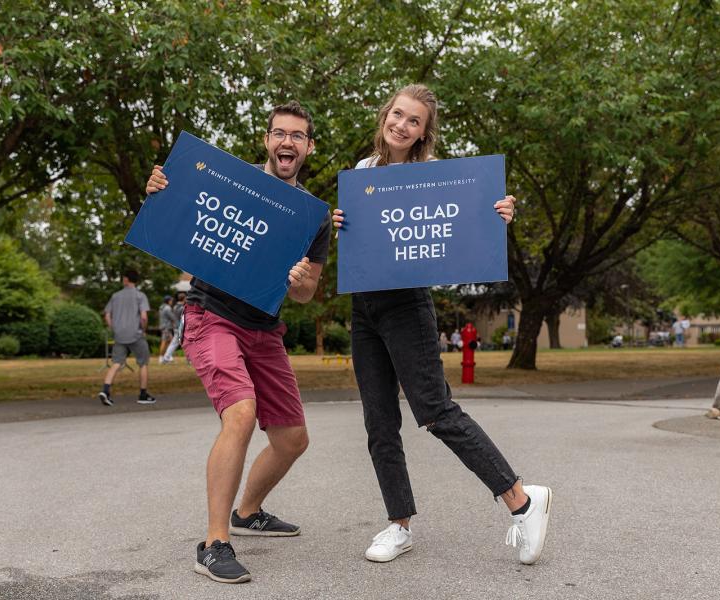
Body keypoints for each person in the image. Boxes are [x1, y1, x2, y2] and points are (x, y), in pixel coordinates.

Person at [332, 84, 552, 566]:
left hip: (407, 304)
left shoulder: (433, 177)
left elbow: (468, 218)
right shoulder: (364, 174)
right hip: (365, 306)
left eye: (413, 121)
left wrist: (499, 213)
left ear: (423, 133)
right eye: (397, 114)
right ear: (384, 115)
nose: (401, 125)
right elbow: (362, 239)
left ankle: (522, 501)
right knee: (379, 422)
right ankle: (399, 525)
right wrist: (342, 223)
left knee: (435, 412)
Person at [144, 100, 331, 584]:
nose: (287, 142)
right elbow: (175, 222)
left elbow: (309, 292)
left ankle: (248, 513)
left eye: (297, 136)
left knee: (292, 439)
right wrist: (159, 191)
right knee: (241, 413)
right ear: (267, 140)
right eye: (279, 133)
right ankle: (213, 543)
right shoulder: (230, 182)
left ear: (309, 147)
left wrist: (298, 281)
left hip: (264, 328)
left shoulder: (312, 216)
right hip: (212, 316)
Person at [98, 269, 155, 406]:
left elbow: (107, 315)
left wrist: (114, 328)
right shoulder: (140, 296)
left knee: (116, 363)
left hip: (119, 335)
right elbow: (144, 316)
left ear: (125, 279)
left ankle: (105, 390)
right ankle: (143, 394)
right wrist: (143, 329)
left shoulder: (115, 296)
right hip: (136, 334)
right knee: (143, 363)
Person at [162, 291, 187, 364]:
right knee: (177, 343)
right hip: (180, 327)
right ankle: (166, 358)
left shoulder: (175, 306)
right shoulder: (182, 307)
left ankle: (166, 358)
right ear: (184, 299)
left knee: (175, 343)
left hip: (176, 327)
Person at [158, 295, 176, 363]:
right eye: (171, 300)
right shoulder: (167, 308)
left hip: (163, 326)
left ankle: (167, 356)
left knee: (170, 341)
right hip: (167, 327)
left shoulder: (161, 307)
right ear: (168, 301)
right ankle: (162, 357)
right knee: (165, 341)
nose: (172, 301)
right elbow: (173, 317)